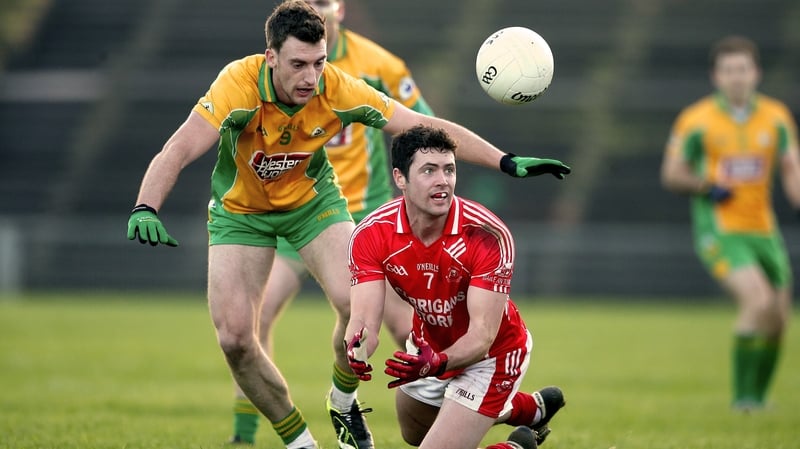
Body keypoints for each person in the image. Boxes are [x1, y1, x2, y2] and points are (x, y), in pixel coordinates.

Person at [126, 2, 570, 449]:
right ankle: (299, 443)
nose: (309, 78)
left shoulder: (336, 86)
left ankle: (342, 402)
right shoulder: (236, 85)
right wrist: (146, 206)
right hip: (240, 214)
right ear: (271, 57)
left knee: (355, 306)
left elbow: (419, 124)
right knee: (236, 338)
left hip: (312, 204)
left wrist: (505, 161)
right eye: (298, 65)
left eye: (318, 64)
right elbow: (180, 147)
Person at [228, 0, 434, 444]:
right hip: (295, 208)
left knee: (400, 325)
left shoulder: (379, 65)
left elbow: (424, 128)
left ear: (339, 8)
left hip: (364, 213)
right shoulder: (275, 68)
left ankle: (436, 414)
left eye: (324, 2)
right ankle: (243, 437)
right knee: (250, 324)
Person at [344, 125, 566, 449]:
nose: (443, 181)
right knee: (414, 434)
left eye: (449, 169)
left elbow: (482, 335)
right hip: (427, 346)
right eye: (429, 170)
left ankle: (517, 446)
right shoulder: (371, 234)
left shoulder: (486, 235)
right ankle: (528, 409)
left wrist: (437, 362)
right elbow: (364, 319)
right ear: (400, 178)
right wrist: (357, 346)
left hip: (492, 355)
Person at [661, 35, 800, 411]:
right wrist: (705, 185)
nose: (736, 77)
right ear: (715, 76)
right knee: (758, 302)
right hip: (720, 230)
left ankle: (759, 398)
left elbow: (791, 167)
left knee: (779, 320)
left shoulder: (777, 117)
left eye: (742, 69)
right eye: (728, 70)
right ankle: (743, 402)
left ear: (756, 73)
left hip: (763, 230)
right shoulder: (696, 120)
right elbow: (672, 173)